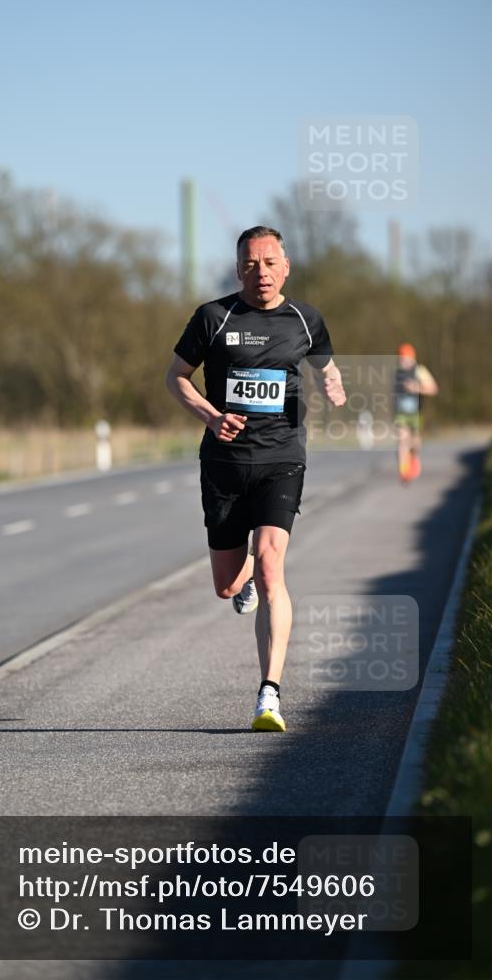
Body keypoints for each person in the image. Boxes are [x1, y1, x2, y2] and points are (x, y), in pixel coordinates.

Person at [166, 226, 346, 732]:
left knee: (271, 567)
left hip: (281, 459)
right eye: (250, 264)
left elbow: (326, 367)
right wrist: (210, 416)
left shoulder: (306, 320)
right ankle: (241, 577)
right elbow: (175, 377)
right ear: (238, 268)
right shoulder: (213, 318)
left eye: (269, 263)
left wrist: (332, 384)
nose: (260, 272)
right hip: (224, 465)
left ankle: (269, 695)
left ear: (285, 267)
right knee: (227, 585)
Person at [394, 343, 439, 482]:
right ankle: (404, 471)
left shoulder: (420, 371)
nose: (403, 362)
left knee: (415, 442)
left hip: (416, 412)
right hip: (401, 413)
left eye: (406, 359)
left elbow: (433, 389)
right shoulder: (397, 373)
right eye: (401, 359)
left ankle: (413, 457)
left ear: (412, 358)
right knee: (402, 439)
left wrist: (416, 388)